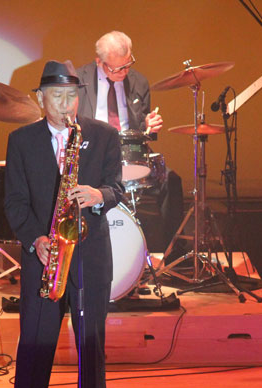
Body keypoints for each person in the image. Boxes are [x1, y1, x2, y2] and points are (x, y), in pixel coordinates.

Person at [4, 60, 125, 388]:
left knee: (92, 346)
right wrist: (35, 239)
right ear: (41, 98)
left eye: (72, 96)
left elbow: (118, 189)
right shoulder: (21, 140)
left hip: (90, 257)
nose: (65, 104)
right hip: (44, 257)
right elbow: (14, 203)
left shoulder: (104, 135)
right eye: (57, 96)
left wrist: (98, 195)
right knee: (35, 346)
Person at [77, 30, 184, 253]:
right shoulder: (79, 81)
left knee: (171, 181)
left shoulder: (139, 82)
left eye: (127, 65)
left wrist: (148, 125)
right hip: (93, 155)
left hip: (128, 153)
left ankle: (174, 252)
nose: (123, 72)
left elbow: (142, 131)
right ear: (99, 62)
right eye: (116, 69)